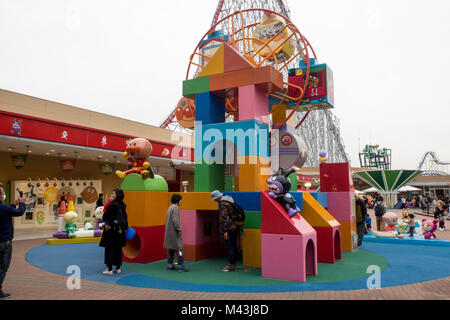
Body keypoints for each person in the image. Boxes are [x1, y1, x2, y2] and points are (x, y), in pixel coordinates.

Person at [0, 183, 26, 299]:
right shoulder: (4, 209)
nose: (4, 194)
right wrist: (22, 203)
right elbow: (19, 212)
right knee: (3, 267)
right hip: (4, 242)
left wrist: (13, 204)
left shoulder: (4, 209)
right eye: (2, 193)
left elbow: (6, 211)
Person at [99, 189, 128, 275]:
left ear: (118, 195)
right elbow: (125, 217)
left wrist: (108, 225)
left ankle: (109, 269)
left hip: (111, 229)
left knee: (110, 248)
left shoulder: (112, 205)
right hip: (120, 229)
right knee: (118, 248)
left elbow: (106, 216)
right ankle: (118, 267)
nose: (112, 195)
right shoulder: (123, 205)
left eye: (114, 193)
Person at [211, 190, 240, 272]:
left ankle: (231, 265)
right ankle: (234, 264)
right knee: (233, 245)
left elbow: (225, 218)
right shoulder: (229, 200)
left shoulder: (223, 204)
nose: (215, 201)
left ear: (217, 197)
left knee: (230, 246)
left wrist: (225, 231)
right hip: (234, 226)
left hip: (229, 228)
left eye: (215, 199)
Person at [163, 194, 189, 272]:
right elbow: (176, 220)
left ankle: (170, 264)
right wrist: (179, 229)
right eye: (180, 200)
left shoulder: (170, 207)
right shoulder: (176, 208)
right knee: (180, 250)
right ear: (177, 200)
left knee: (171, 249)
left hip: (169, 232)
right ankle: (180, 265)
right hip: (175, 232)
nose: (181, 201)